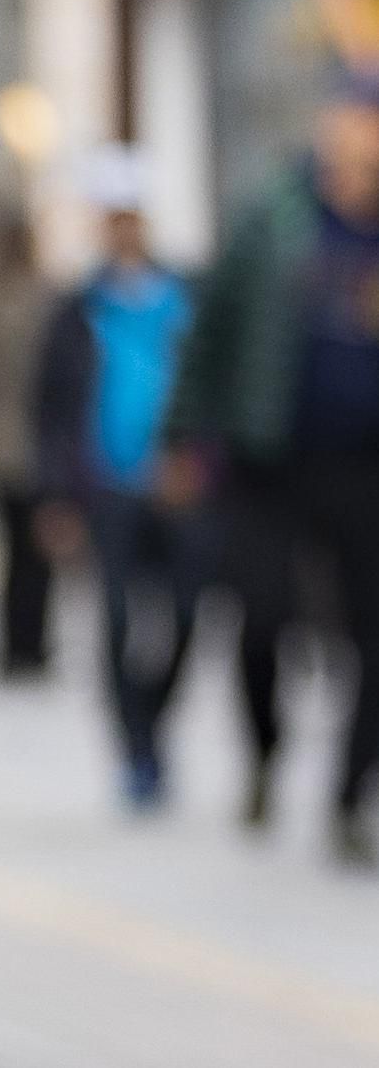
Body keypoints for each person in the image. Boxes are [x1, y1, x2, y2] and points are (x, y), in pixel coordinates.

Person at [167, 63, 379, 866]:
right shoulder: (273, 216)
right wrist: (183, 437)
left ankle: (350, 796)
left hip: (366, 467)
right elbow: (211, 333)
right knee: (260, 623)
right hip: (273, 461)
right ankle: (264, 755)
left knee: (374, 642)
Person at [32, 158, 201, 808]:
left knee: (185, 616)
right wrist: (56, 495)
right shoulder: (76, 309)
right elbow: (48, 409)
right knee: (118, 621)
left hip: (178, 485)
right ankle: (135, 748)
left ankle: (154, 722)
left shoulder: (184, 299)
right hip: (106, 488)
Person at [0, 204, 61, 682]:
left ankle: (12, 645)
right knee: (37, 551)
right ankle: (32, 643)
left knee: (12, 549)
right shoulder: (45, 301)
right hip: (34, 441)